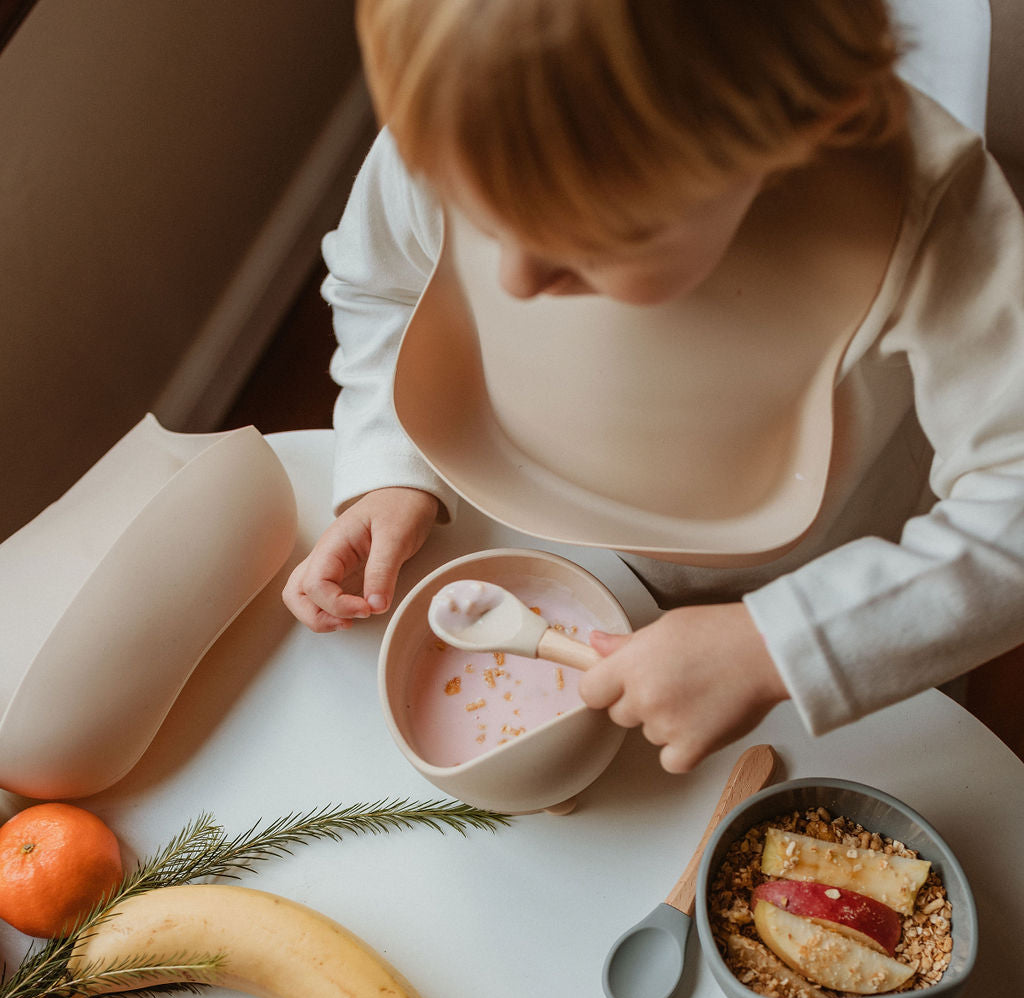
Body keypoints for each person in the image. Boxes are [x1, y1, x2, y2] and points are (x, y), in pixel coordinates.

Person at [283, 0, 1024, 774]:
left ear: (793, 134)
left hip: (838, 611)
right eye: (483, 222)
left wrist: (780, 645)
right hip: (547, 549)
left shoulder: (931, 220)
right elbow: (385, 288)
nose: (517, 279)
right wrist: (391, 466)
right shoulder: (478, 115)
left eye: (591, 243)